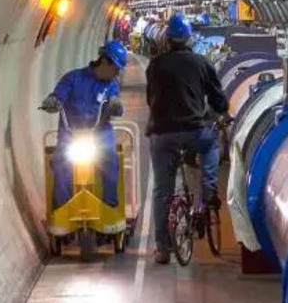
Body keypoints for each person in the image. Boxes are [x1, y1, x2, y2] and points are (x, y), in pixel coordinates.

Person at [146, 13, 228, 264]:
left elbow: (151, 99)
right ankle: (209, 187)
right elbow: (218, 100)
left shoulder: (155, 65)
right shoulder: (202, 63)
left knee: (162, 190)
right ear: (190, 38)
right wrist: (221, 112)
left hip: (162, 134)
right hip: (195, 131)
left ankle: (162, 248)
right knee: (211, 145)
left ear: (167, 40)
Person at [41, 40, 128, 210]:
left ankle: (110, 205)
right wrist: (53, 101)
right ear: (104, 61)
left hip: (99, 133)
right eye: (115, 69)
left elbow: (114, 99)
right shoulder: (72, 78)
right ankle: (63, 207)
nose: (116, 74)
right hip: (71, 133)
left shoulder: (111, 85)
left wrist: (116, 105)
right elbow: (59, 95)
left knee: (110, 159)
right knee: (61, 163)